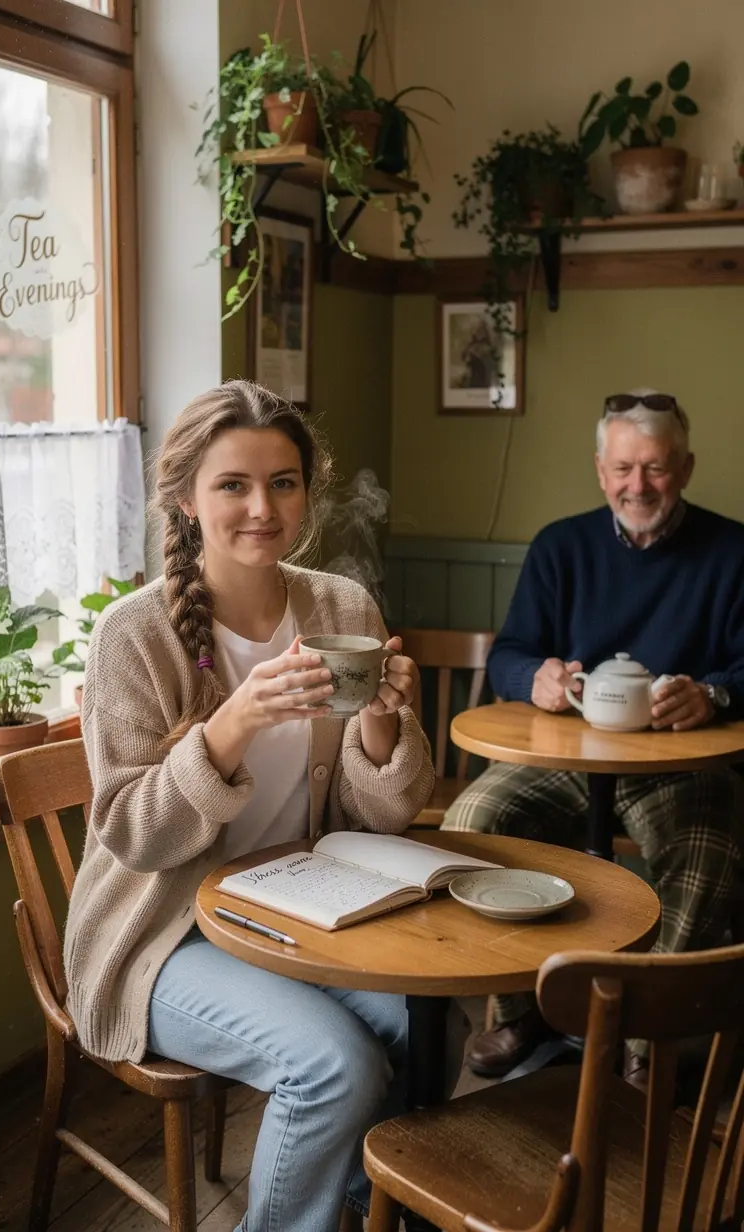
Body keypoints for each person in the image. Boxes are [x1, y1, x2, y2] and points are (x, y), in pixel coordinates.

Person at [63, 380, 435, 1232]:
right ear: (187, 499)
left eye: (284, 482)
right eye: (233, 484)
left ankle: (368, 1206)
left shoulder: (342, 608)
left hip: (293, 908)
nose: (262, 508)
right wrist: (234, 722)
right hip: (160, 933)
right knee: (337, 1064)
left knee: (421, 1015)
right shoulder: (134, 633)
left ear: (309, 491)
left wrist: (382, 728)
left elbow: (379, 814)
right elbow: (133, 835)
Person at [443, 390, 744, 1083]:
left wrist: (715, 694)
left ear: (687, 467)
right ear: (600, 469)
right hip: (568, 750)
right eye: (623, 468)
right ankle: (527, 1011)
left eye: (657, 469)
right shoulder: (560, 545)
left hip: (681, 759)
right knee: (474, 824)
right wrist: (535, 678)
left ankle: (644, 1041)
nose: (638, 486)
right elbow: (511, 651)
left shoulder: (732, 552)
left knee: (709, 852)